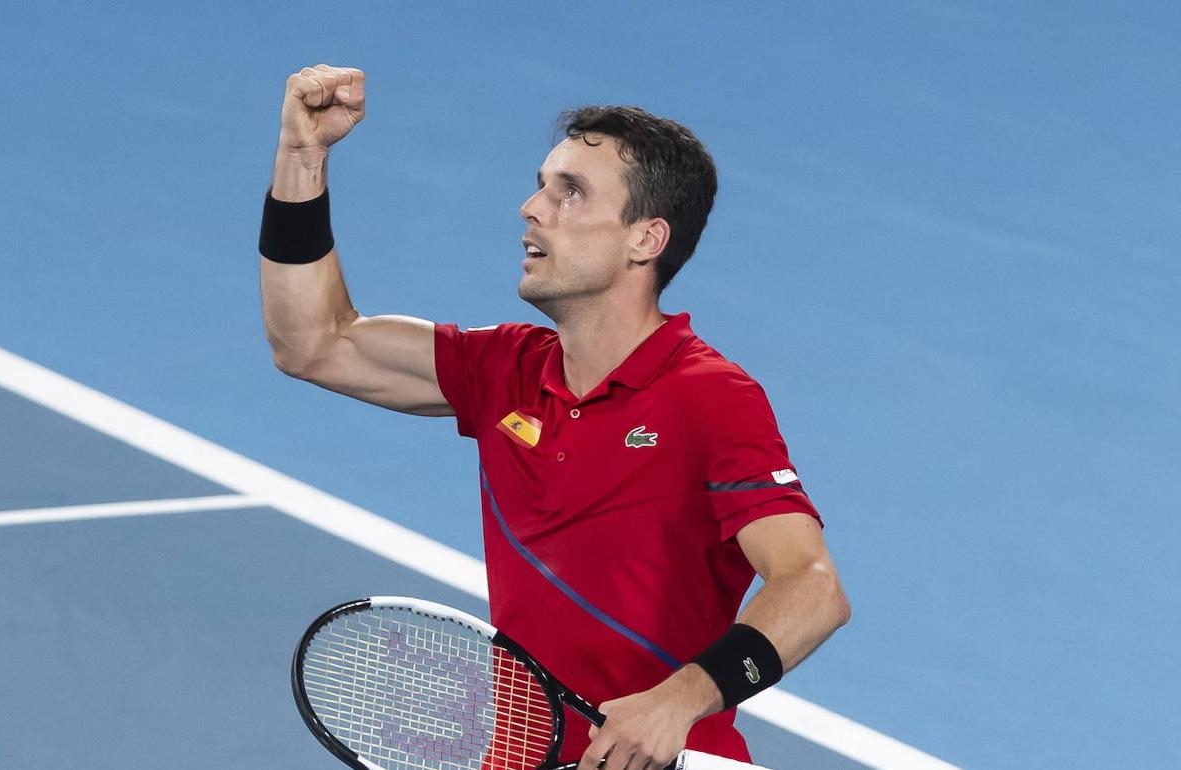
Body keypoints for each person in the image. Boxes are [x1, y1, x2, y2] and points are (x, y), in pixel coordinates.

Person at [260, 64, 851, 769]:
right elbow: (314, 342)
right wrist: (301, 156)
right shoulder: (503, 370)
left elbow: (812, 587)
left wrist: (678, 700)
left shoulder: (709, 397)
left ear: (645, 240)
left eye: (570, 192)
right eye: (542, 185)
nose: (531, 208)